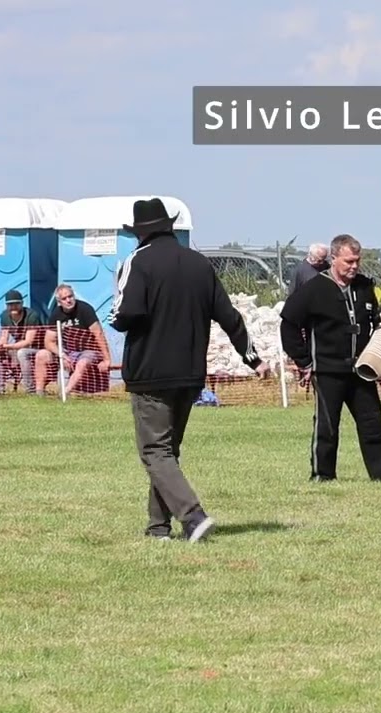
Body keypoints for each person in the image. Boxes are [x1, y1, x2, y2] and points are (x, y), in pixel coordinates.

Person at [107, 198, 269, 542]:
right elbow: (229, 316)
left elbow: (124, 316)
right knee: (167, 452)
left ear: (139, 233)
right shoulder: (199, 264)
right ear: (169, 227)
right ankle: (158, 528)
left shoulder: (138, 262)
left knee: (154, 451)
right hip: (191, 373)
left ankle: (193, 516)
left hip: (150, 372)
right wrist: (253, 358)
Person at [279, 233, 381, 482]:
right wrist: (304, 361)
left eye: (357, 261)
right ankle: (323, 474)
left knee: (373, 424)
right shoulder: (313, 288)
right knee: (327, 426)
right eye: (348, 261)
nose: (354, 266)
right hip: (327, 370)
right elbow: (288, 325)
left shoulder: (366, 287)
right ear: (334, 259)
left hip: (362, 370)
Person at [34, 284, 113, 395]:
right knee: (41, 355)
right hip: (67, 351)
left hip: (88, 351)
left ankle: (65, 393)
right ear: (59, 302)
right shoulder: (56, 314)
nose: (68, 300)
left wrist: (107, 359)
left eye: (70, 296)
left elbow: (98, 334)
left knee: (82, 363)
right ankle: (39, 393)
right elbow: (48, 341)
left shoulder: (85, 309)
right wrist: (62, 354)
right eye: (64, 298)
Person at [0, 289, 41, 394]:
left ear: (22, 303)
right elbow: (3, 337)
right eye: (10, 304)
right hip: (17, 346)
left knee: (22, 353)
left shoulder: (32, 316)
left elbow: (29, 341)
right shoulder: (5, 316)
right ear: (6, 305)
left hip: (37, 349)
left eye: (16, 303)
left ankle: (30, 390)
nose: (13, 306)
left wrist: (7, 346)